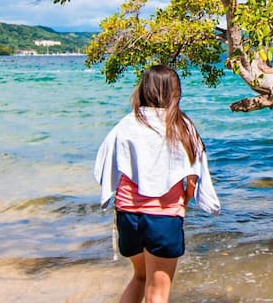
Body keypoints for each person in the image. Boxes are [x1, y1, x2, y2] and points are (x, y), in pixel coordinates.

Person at [92, 65, 220, 303]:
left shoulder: (127, 124)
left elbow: (104, 164)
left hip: (128, 215)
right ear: (175, 92)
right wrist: (185, 198)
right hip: (163, 216)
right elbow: (194, 176)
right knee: (158, 294)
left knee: (140, 278)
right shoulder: (181, 126)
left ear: (143, 89)